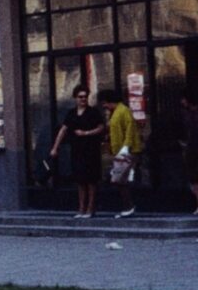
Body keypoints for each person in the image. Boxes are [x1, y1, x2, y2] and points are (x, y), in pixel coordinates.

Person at [49, 87, 107, 219]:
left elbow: (101, 128)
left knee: (91, 180)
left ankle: (90, 208)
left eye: (85, 96)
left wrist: (86, 133)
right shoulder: (71, 113)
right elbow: (63, 130)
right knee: (80, 180)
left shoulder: (93, 112)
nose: (83, 99)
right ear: (75, 98)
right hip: (77, 150)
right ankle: (81, 208)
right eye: (80, 97)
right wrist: (55, 147)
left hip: (91, 149)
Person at [99, 86, 142, 218]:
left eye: (104, 103)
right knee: (120, 179)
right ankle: (128, 206)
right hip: (120, 150)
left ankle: (129, 206)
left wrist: (126, 146)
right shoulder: (116, 112)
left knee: (120, 179)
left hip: (127, 151)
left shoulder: (123, 111)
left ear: (109, 101)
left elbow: (130, 129)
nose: (104, 106)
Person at [180, 94, 198, 217]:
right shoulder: (188, 114)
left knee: (197, 176)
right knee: (194, 177)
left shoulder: (197, 114)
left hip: (195, 147)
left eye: (184, 99)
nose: (182, 101)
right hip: (191, 147)